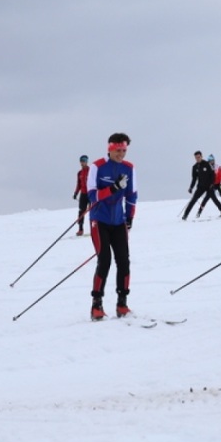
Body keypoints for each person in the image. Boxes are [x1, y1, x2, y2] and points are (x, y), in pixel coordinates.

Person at [87, 133, 137, 320]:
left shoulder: (129, 168)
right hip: (99, 220)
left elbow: (132, 195)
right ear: (110, 149)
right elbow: (92, 196)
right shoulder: (97, 167)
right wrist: (113, 188)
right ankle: (96, 305)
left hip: (118, 221)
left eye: (124, 150)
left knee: (124, 261)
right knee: (105, 260)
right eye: (118, 150)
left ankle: (122, 303)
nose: (121, 154)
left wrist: (130, 217)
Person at [183, 150, 221, 220]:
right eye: (196, 158)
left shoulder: (207, 164)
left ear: (201, 156)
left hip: (209, 186)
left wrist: (212, 184)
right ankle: (185, 215)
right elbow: (194, 179)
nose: (197, 159)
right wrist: (191, 187)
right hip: (200, 187)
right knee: (193, 200)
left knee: (214, 199)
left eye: (199, 157)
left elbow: (213, 175)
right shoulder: (194, 167)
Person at [72, 155, 90, 236]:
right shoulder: (79, 173)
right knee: (81, 211)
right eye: (81, 161)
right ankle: (80, 229)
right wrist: (76, 193)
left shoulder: (91, 170)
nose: (83, 162)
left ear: (87, 161)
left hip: (91, 193)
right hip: (83, 194)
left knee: (93, 210)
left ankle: (95, 227)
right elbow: (78, 184)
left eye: (84, 160)